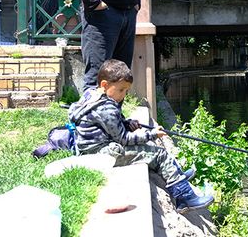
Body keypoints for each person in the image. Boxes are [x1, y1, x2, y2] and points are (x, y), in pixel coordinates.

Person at [69, 59, 214, 213]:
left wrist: (126, 123)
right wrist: (151, 135)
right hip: (102, 154)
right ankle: (185, 198)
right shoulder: (106, 108)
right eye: (121, 90)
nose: (123, 95)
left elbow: (108, 124)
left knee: (155, 152)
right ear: (105, 85)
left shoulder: (92, 95)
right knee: (159, 154)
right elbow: (123, 139)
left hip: (90, 150)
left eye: (126, 91)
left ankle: (176, 175)